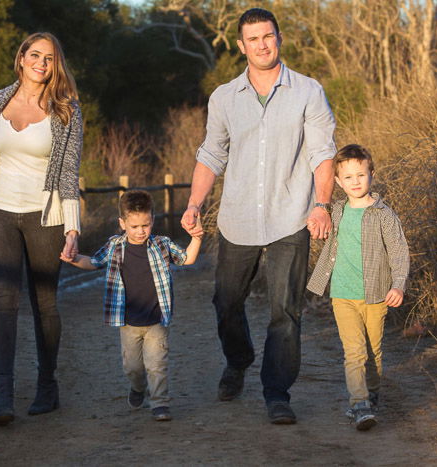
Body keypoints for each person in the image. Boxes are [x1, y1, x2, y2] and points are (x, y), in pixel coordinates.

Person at [181, 7, 337, 424]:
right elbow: (211, 155)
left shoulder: (308, 91)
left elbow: (323, 153)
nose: (262, 44)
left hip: (292, 215)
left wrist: (321, 205)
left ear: (279, 38)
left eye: (268, 36)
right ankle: (238, 360)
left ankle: (277, 392)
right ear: (241, 45)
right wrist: (195, 204)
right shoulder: (224, 97)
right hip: (238, 217)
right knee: (226, 301)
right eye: (253, 39)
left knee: (285, 310)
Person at [0, 32, 83, 426]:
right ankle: (4, 393)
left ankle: (47, 386)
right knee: (3, 302)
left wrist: (73, 228)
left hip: (46, 216)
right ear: (21, 58)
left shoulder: (67, 110)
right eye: (34, 55)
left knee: (44, 304)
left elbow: (68, 172)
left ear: (55, 65)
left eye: (48, 57)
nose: (40, 63)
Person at [61, 190, 203, 422]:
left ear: (152, 221)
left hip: (157, 320)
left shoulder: (162, 244)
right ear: (122, 223)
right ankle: (138, 388)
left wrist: (196, 238)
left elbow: (187, 258)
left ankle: (160, 403)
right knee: (133, 368)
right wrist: (73, 259)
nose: (140, 231)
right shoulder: (115, 246)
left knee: (157, 365)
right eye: (134, 226)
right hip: (128, 322)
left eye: (145, 225)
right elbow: (94, 262)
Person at [307, 144, 410, 431]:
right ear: (338, 181)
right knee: (354, 352)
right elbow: (319, 230)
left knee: (373, 352)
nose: (355, 182)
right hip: (342, 295)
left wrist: (399, 285)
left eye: (361, 175)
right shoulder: (336, 212)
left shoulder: (384, 215)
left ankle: (372, 393)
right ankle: (359, 404)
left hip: (376, 295)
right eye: (348, 177)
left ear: (371, 175)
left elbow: (399, 252)